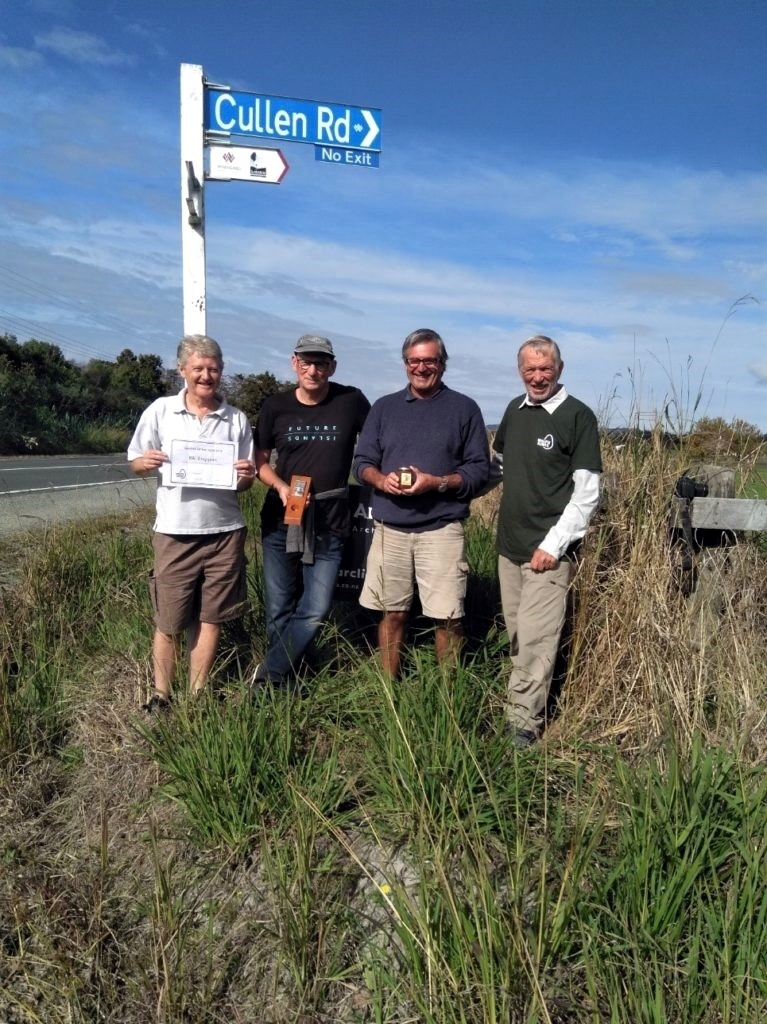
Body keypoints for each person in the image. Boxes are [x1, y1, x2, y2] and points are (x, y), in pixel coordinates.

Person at [128, 334, 256, 709]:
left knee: (211, 617)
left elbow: (245, 482)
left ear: (222, 372)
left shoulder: (236, 419)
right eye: (198, 368)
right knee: (169, 620)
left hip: (225, 532)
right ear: (182, 370)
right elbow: (135, 461)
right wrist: (145, 463)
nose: (206, 375)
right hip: (174, 532)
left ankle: (198, 694)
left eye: (213, 368)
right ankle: (161, 695)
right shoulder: (161, 411)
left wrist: (246, 474)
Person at [353, 328, 490, 676]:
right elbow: (362, 464)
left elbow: (478, 471)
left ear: (442, 364)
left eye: (429, 360)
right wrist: (382, 480)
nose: (422, 367)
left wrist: (437, 483)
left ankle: (447, 694)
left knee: (448, 616)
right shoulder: (384, 408)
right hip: (390, 529)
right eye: (415, 361)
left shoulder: (464, 409)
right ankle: (389, 686)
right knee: (391, 612)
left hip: (442, 529)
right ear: (405, 364)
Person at [493, 335, 602, 747]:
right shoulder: (514, 410)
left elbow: (587, 492)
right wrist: (455, 486)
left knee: (538, 639)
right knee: (518, 635)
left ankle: (522, 724)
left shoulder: (578, 417)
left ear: (560, 369)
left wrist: (552, 546)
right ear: (520, 370)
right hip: (509, 546)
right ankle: (524, 702)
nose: (537, 377)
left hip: (547, 553)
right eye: (530, 369)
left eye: (545, 369)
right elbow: (498, 465)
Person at [253, 335, 370, 685]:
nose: (313, 370)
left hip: (330, 522)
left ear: (332, 367)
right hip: (281, 519)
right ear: (294, 363)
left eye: (321, 363)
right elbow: (260, 462)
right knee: (278, 610)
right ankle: (287, 682)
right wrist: (280, 485)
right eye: (306, 362)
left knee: (316, 610)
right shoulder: (276, 405)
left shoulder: (351, 401)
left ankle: (267, 676)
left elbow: (381, 437)